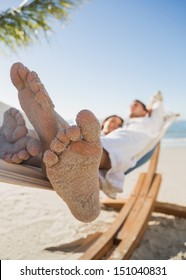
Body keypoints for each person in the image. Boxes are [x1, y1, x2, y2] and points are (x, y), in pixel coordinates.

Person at [0, 62, 165, 223]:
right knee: (69, 139)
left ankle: (44, 144)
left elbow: (158, 108)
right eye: (110, 121)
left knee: (92, 142)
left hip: (118, 145)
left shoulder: (144, 124)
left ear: (145, 110)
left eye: (135, 105)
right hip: (93, 144)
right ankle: (35, 144)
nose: (114, 123)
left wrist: (155, 100)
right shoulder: (103, 132)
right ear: (103, 125)